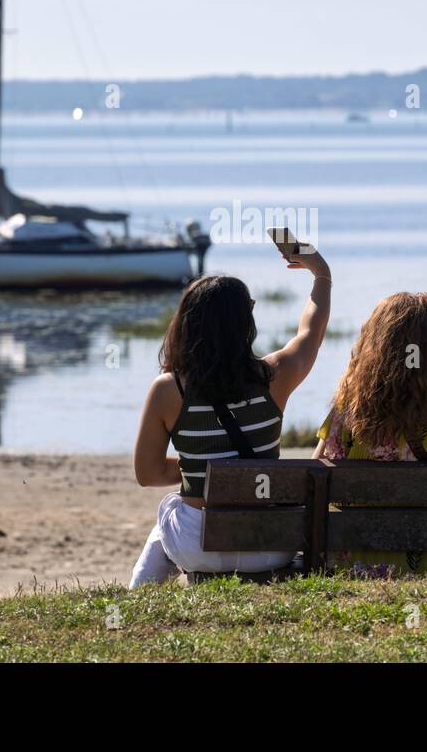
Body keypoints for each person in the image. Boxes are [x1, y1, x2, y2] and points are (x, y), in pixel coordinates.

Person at [128, 246, 331, 587]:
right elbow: (311, 332)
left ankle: (137, 596)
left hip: (199, 547)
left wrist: (207, 467)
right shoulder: (276, 376)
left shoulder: (168, 390)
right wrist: (321, 273)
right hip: (270, 545)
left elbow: (146, 473)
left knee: (169, 511)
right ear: (246, 321)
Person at [314, 292, 427, 575]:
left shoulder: (349, 407)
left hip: (351, 564)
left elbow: (315, 477)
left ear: (375, 346)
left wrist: (351, 377)